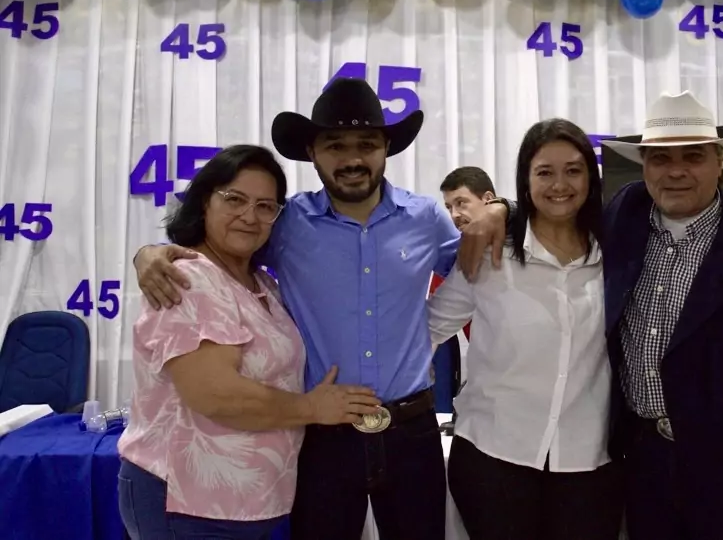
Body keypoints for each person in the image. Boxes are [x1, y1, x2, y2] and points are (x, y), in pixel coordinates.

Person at [458, 92, 723, 540]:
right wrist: (501, 210)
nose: (676, 171)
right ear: (645, 165)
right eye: (660, 158)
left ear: (720, 162)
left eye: (693, 156)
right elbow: (557, 208)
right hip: (643, 464)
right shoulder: (624, 215)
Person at [132, 79, 470, 540]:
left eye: (366, 144)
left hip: (410, 429)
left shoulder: (426, 218)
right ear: (312, 152)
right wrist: (150, 252)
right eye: (335, 145)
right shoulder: (285, 222)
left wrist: (499, 212)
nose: (352, 158)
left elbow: (478, 264)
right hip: (321, 431)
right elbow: (215, 247)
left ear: (386, 148)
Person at [118, 145, 380, 540]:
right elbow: (217, 396)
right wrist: (312, 407)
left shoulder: (262, 284)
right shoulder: (189, 281)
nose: (249, 216)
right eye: (234, 199)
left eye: (265, 206)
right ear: (204, 202)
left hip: (248, 504)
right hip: (189, 504)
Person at [427, 119, 623, 540]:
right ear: (525, 178)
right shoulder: (490, 253)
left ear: (591, 175)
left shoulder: (615, 253)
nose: (560, 184)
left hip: (588, 464)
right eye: (544, 172)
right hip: (492, 457)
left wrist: (500, 208)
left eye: (573, 170)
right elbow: (431, 327)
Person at [431, 166, 497, 411]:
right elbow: (432, 331)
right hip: (486, 396)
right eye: (449, 207)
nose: (455, 214)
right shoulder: (450, 259)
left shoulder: (527, 242)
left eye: (461, 203)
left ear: (488, 200)